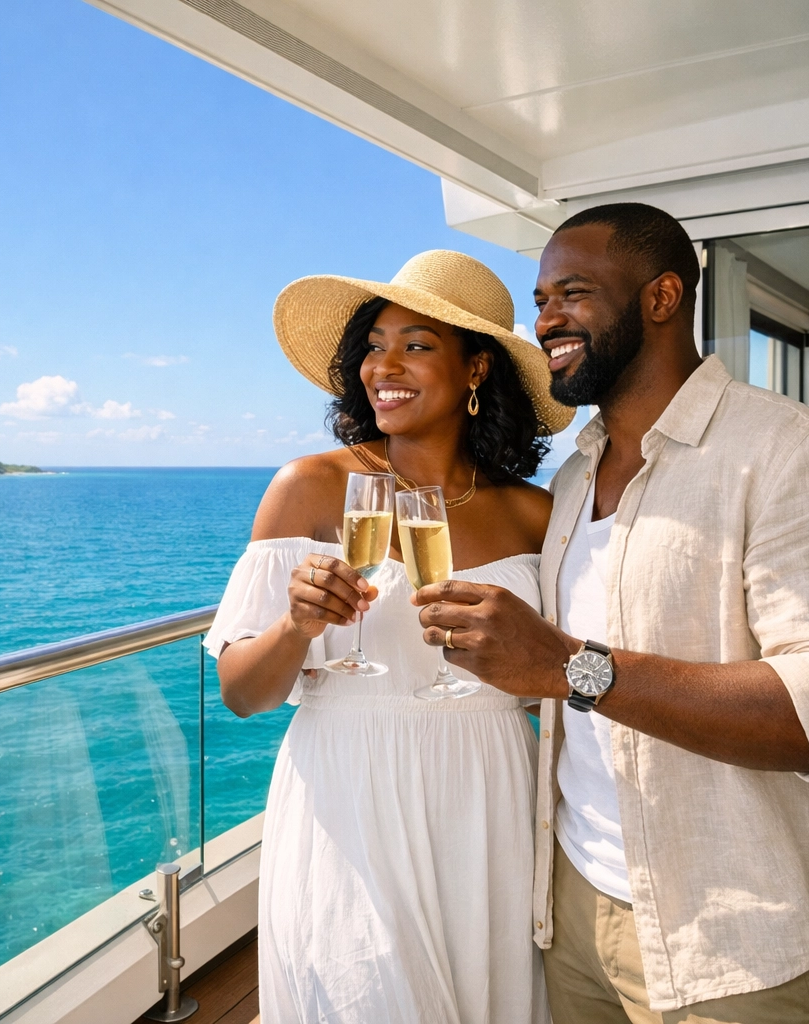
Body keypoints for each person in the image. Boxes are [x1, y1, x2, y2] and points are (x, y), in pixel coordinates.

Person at [413, 204, 809, 1023]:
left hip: (742, 938)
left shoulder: (791, 455)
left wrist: (569, 668)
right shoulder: (574, 483)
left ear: (662, 297)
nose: (545, 319)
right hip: (574, 903)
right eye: (540, 298)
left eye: (571, 293)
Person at [206, 250, 573, 1024]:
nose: (383, 366)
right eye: (374, 345)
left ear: (476, 368)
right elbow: (241, 693)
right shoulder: (307, 486)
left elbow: (562, 673)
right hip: (350, 796)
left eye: (415, 344)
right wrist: (296, 625)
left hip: (489, 798)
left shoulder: (534, 514)